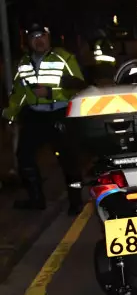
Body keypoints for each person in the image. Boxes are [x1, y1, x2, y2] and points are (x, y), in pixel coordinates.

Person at [1, 22, 86, 214]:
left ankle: (76, 201)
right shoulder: (23, 63)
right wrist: (10, 115)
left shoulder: (64, 57)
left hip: (59, 113)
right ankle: (36, 199)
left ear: (49, 37)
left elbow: (78, 85)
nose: (38, 40)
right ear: (28, 41)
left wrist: (50, 92)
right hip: (35, 115)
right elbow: (19, 93)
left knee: (69, 159)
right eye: (33, 37)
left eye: (42, 36)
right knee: (24, 156)